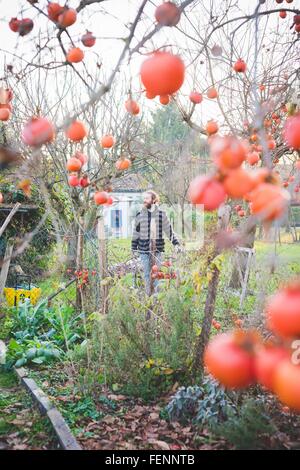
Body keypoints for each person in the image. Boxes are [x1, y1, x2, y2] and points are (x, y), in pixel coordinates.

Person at [131, 190, 181, 295]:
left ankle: (156, 298)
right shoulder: (140, 215)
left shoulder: (161, 215)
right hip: (143, 250)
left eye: (147, 198)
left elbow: (169, 230)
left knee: (156, 274)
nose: (144, 200)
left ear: (153, 200)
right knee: (146, 274)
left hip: (157, 250)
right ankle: (148, 296)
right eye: (144, 199)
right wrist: (133, 248)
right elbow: (136, 233)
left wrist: (176, 243)